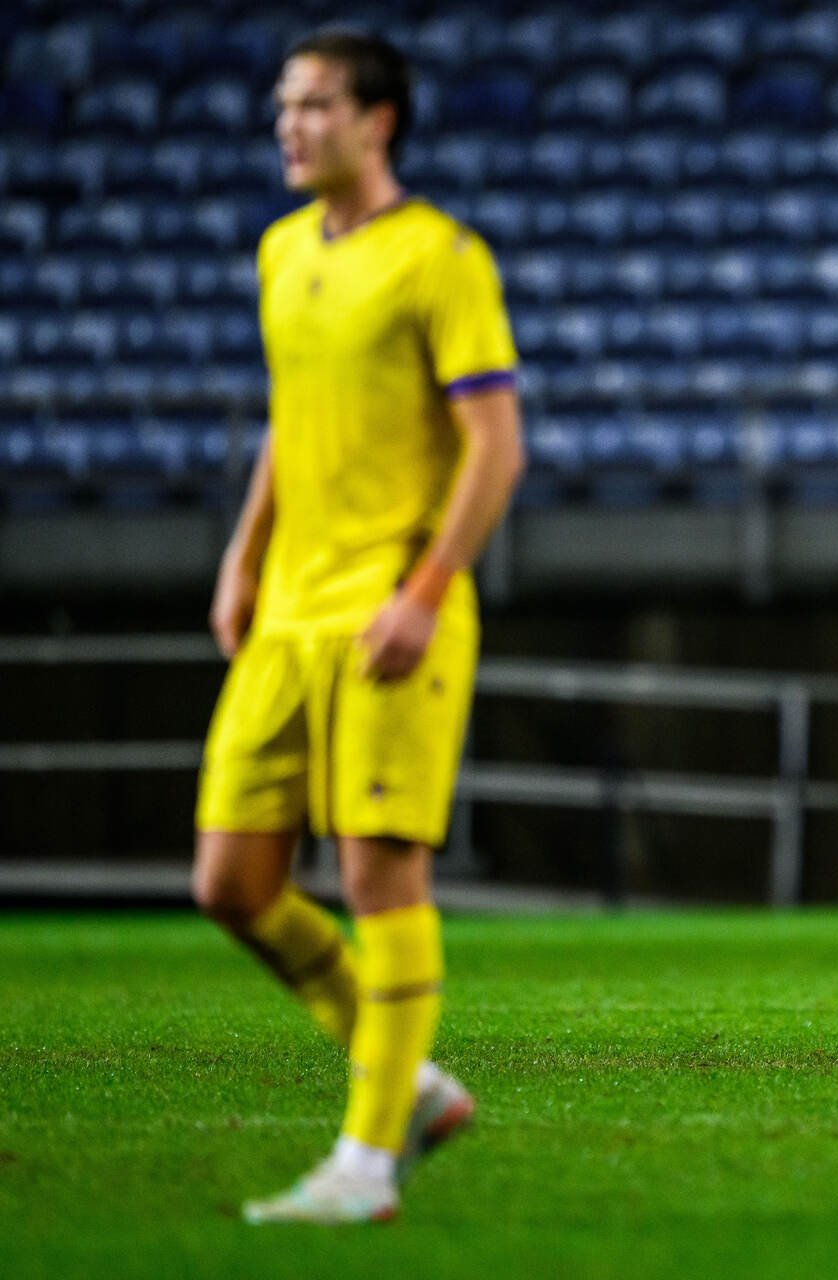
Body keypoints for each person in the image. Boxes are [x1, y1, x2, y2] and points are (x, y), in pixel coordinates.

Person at [190, 28, 523, 1223]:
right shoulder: (282, 253)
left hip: (392, 610)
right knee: (230, 880)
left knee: (383, 878)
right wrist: (241, 555)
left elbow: (496, 443)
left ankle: (365, 1162)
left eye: (316, 104)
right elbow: (292, 418)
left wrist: (426, 590)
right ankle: (413, 1080)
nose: (291, 125)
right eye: (285, 104)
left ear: (379, 121)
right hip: (286, 612)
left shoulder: (440, 258)